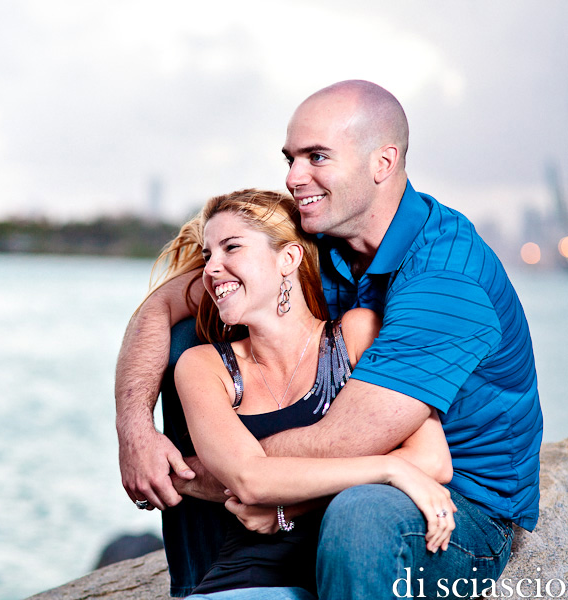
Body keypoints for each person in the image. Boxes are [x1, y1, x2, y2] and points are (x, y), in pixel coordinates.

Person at [115, 80, 543, 599]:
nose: (295, 178)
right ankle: (204, 585)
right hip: (341, 471)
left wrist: (223, 474)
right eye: (290, 158)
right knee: (189, 339)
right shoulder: (316, 237)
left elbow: (348, 438)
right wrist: (136, 430)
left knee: (359, 512)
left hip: (457, 502)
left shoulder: (446, 279)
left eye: (317, 157)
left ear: (382, 163)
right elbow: (162, 304)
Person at [164, 189, 456, 599]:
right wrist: (391, 469)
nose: (212, 268)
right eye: (208, 254)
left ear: (289, 259)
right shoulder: (202, 366)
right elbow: (250, 479)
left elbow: (432, 460)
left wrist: (288, 505)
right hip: (248, 579)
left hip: (354, 567)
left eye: (231, 248)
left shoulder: (357, 333)